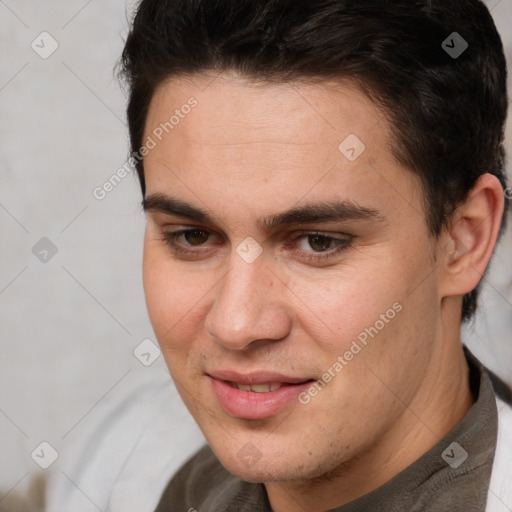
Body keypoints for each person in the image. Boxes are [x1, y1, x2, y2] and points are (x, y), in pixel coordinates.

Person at [47, 0, 512, 511]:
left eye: (318, 242)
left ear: (463, 240)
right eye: (193, 237)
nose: (237, 324)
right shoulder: (120, 459)